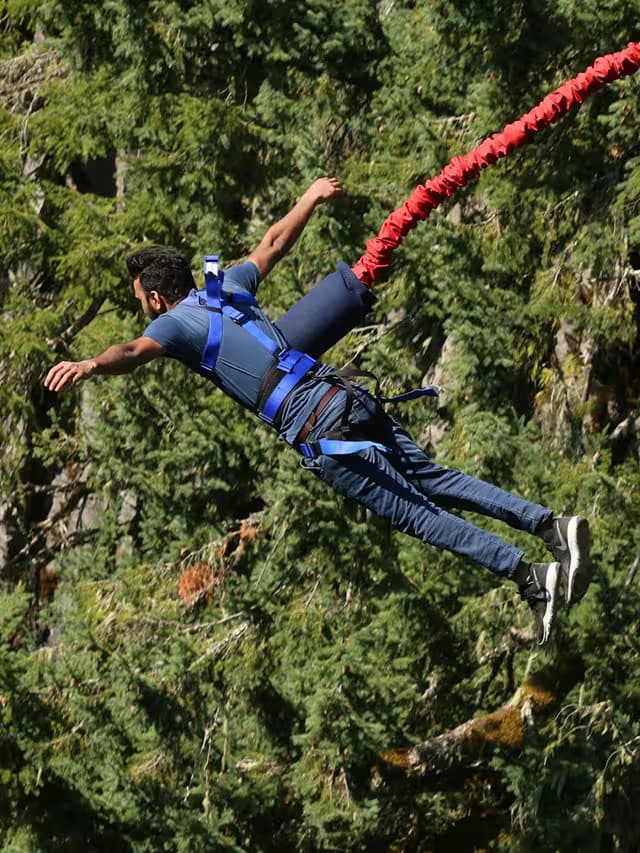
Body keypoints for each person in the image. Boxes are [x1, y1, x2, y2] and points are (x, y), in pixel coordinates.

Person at [44, 177, 593, 645]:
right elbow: (273, 244)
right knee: (434, 478)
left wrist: (92, 364)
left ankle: (530, 576)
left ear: (157, 300)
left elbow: (133, 352)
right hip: (343, 394)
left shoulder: (172, 325)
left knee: (417, 515)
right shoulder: (225, 287)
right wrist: (308, 199)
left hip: (315, 425)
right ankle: (550, 526)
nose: (143, 311)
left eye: (141, 301)